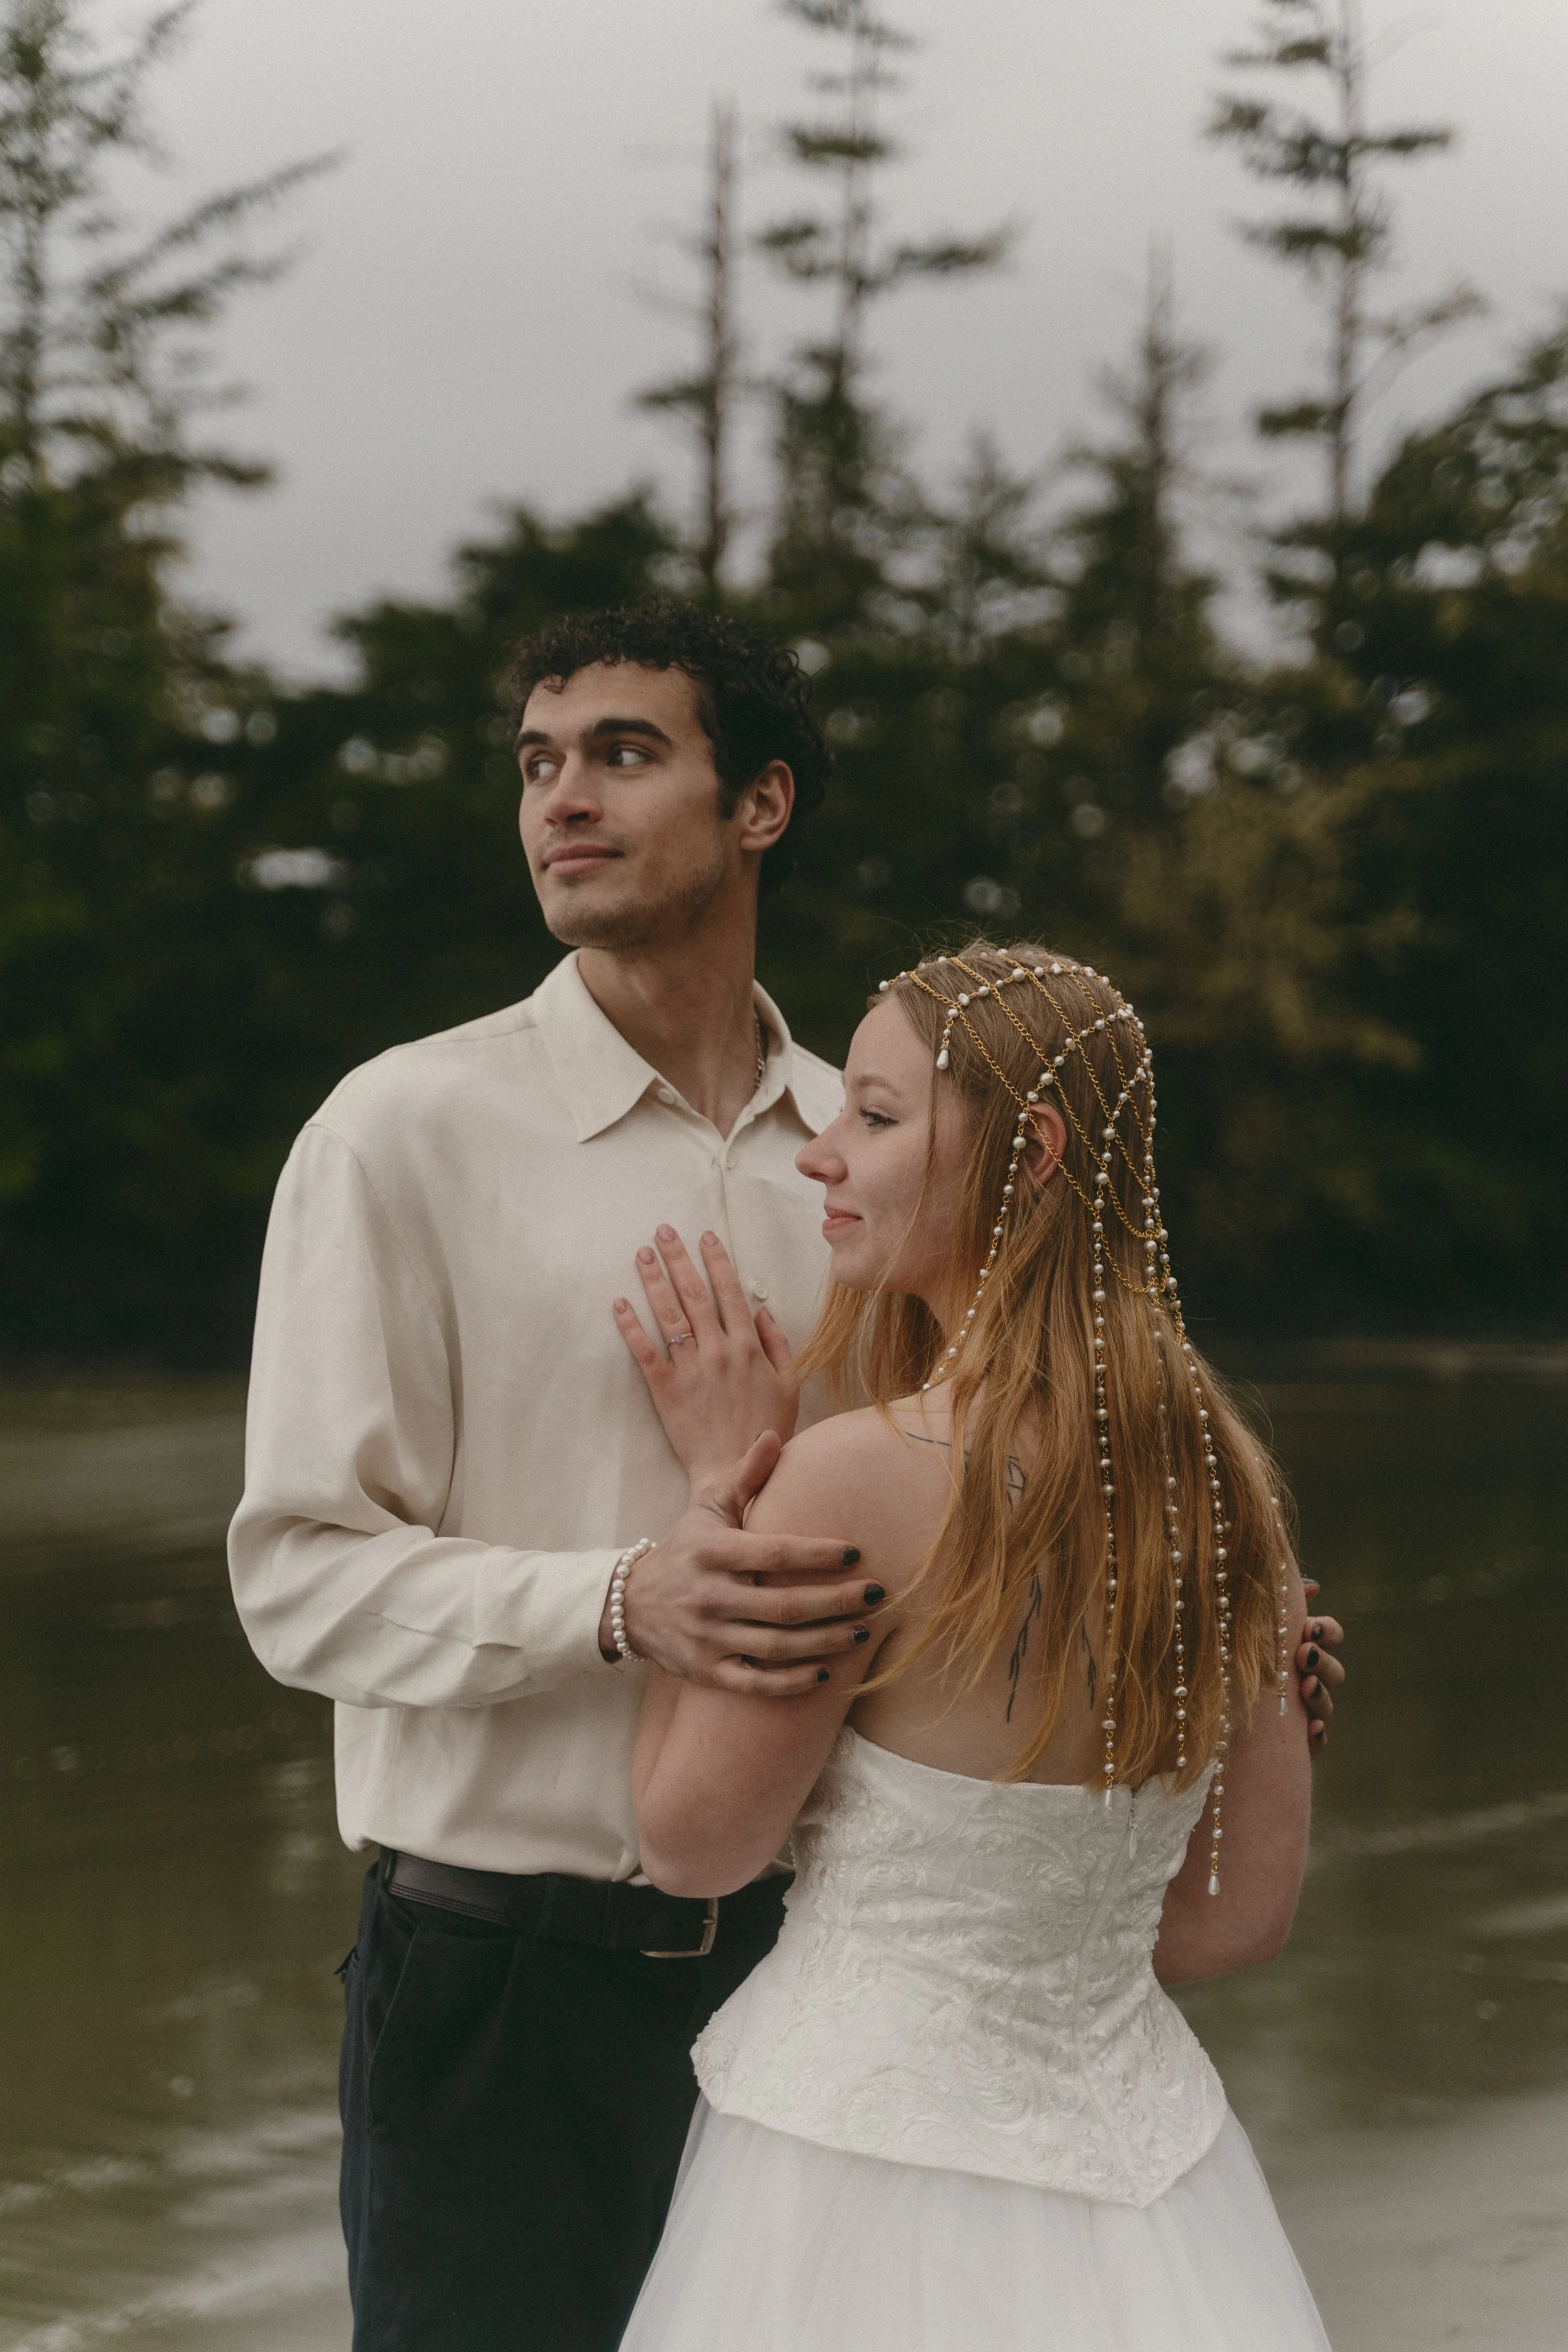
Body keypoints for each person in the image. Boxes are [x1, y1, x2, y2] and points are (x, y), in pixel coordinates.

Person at [227, 600, 1342, 2352]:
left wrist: (1174, 1647)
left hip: (817, 1984)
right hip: (504, 1975)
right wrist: (620, 1595)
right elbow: (293, 1574)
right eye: (535, 762)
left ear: (761, 802)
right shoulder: (400, 1131)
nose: (560, 800)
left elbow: (969, 1517)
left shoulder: (873, 1136)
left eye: (620, 751)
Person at [615, 941, 1333, 2351]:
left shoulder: (843, 1482)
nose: (818, 1156)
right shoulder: (1227, 1482)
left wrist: (707, 1512)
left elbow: (690, 1850)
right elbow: (1236, 1917)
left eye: (873, 1119)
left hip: (849, 2181)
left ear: (1033, 1150)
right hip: (1150, 2197)